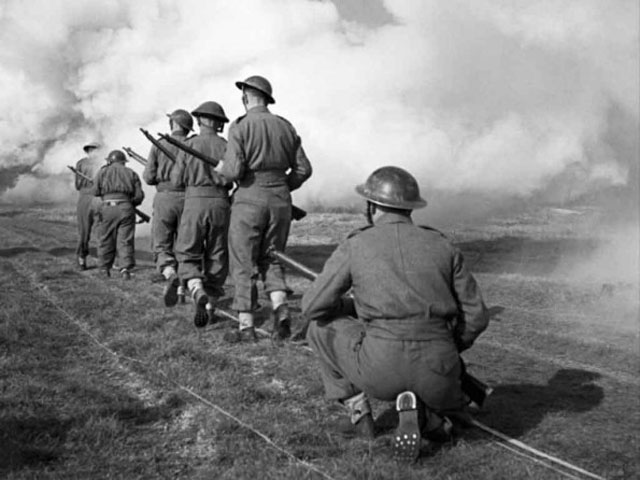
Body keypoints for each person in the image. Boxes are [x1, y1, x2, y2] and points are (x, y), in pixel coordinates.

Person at [301, 166, 489, 462]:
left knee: (319, 328)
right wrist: (450, 347)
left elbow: (312, 307)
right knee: (436, 381)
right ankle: (431, 416)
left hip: (380, 371)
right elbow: (476, 316)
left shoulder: (357, 243)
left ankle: (359, 416)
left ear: (372, 206)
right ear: (410, 208)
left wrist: (349, 307)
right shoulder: (443, 245)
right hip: (440, 370)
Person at [220, 75, 312, 343]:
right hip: (280, 201)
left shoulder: (240, 127)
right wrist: (281, 187)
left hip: (249, 198)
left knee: (243, 262)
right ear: (267, 99)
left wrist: (222, 171)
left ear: (246, 97)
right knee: (273, 258)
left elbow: (234, 171)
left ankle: (246, 328)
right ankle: (281, 309)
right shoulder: (285, 126)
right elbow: (304, 169)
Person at [166, 101, 230, 328]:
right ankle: (210, 304)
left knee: (187, 252)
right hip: (221, 203)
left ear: (200, 120)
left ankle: (195, 287)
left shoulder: (189, 145)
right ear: (219, 124)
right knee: (217, 255)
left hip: (194, 202)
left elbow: (176, 180)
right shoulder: (227, 146)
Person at [143, 109, 192, 300]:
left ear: (173, 124)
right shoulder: (192, 145)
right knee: (185, 244)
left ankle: (170, 274)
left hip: (165, 197)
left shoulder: (159, 144)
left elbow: (148, 177)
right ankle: (182, 288)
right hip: (190, 197)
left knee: (162, 243)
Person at [93, 150, 145, 279]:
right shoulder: (132, 173)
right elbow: (139, 196)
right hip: (126, 208)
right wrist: (129, 203)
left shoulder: (102, 172)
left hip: (108, 207)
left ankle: (104, 269)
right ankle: (125, 269)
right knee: (125, 240)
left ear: (109, 161)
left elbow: (95, 191)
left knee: (105, 238)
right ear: (123, 162)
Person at [74, 141, 102, 270]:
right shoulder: (103, 164)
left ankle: (82, 259)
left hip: (85, 197)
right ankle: (104, 260)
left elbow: (77, 185)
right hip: (98, 198)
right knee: (101, 231)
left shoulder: (80, 163)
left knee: (84, 231)